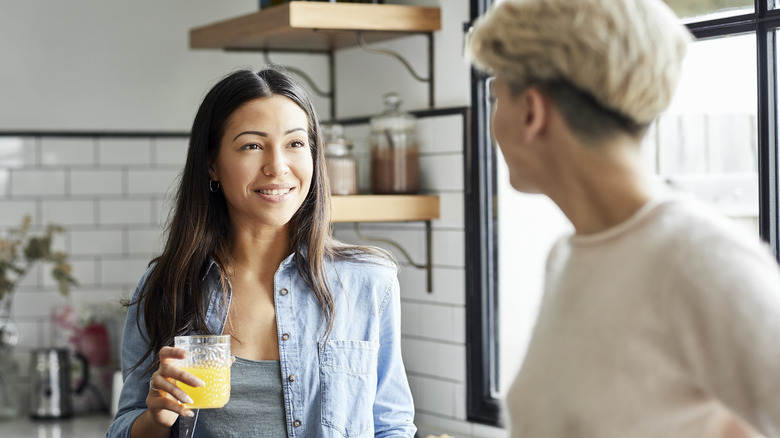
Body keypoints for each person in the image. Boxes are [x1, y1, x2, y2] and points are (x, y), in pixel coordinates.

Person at [466, 0, 780, 437]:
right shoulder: (567, 257)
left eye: (496, 97)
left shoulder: (697, 259)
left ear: (532, 112)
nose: (493, 120)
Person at [106, 67, 416, 438]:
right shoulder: (165, 286)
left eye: (295, 144)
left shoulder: (369, 281)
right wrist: (155, 418)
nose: (277, 167)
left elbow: (391, 425)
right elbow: (124, 426)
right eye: (252, 145)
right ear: (212, 164)